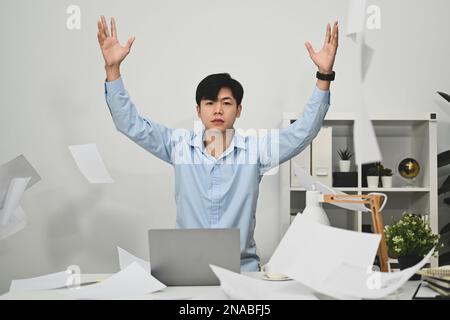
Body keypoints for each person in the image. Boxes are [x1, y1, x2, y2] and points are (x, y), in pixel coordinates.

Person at [96, 15, 339, 271]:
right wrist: (113, 71)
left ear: (239, 110)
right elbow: (130, 124)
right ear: (198, 110)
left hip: (242, 270)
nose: (218, 110)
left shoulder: (255, 151)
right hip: (186, 269)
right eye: (210, 103)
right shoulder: (178, 146)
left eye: (226, 103)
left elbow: (303, 132)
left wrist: (324, 75)